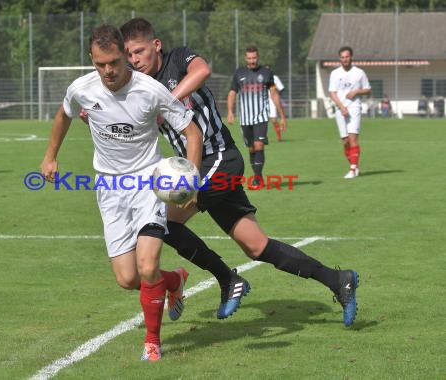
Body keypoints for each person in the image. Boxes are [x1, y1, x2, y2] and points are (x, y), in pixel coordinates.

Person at [121, 18, 360, 328]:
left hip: (220, 157)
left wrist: (168, 99)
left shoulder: (178, 59)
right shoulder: (139, 85)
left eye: (138, 51)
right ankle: (339, 280)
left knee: (163, 221)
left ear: (156, 45)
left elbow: (202, 71)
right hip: (198, 165)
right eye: (129, 55)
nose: (134, 60)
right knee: (257, 246)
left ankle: (227, 278)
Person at [40, 24, 203, 362]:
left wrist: (192, 178)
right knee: (128, 279)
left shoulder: (151, 90)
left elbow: (192, 131)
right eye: (100, 64)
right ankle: (174, 280)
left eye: (114, 62)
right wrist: (50, 155)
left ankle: (152, 343)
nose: (108, 71)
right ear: (91, 59)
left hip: (148, 184)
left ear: (126, 56)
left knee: (146, 266)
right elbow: (63, 115)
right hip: (110, 188)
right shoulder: (81, 89)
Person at [227, 46, 286, 187]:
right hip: (245, 118)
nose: (252, 61)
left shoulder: (266, 73)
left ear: (258, 57)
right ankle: (256, 176)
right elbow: (232, 93)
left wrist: (282, 115)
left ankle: (258, 178)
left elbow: (274, 93)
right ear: (245, 58)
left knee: (259, 145)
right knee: (251, 148)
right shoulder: (239, 73)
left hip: (261, 117)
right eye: (249, 58)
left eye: (254, 58)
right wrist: (230, 111)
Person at [328, 46, 371, 179]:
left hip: (354, 108)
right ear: (339, 59)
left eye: (347, 57)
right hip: (340, 109)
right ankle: (355, 166)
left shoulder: (359, 73)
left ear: (351, 57)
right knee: (345, 141)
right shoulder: (335, 73)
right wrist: (341, 107)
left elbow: (368, 89)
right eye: (342, 57)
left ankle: (352, 170)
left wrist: (357, 91)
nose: (345, 59)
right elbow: (332, 93)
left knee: (353, 139)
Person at [264, 64, 286, 142]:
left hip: (272, 101)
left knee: (273, 120)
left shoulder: (275, 78)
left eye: (268, 69)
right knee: (263, 120)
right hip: (262, 101)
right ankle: (262, 138)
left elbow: (281, 88)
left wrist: (277, 95)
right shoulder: (260, 77)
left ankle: (279, 137)